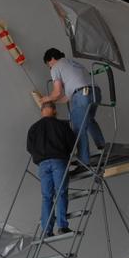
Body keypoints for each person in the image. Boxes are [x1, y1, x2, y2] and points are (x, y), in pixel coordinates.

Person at [37, 48, 106, 165]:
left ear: (52, 59)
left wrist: (46, 99)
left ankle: (84, 161)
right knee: (88, 120)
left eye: (48, 64)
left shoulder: (56, 67)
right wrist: (53, 102)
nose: (49, 67)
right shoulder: (73, 63)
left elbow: (58, 92)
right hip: (95, 92)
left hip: (81, 94)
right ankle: (103, 147)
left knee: (78, 128)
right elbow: (67, 98)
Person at [26, 101, 75, 236]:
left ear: (42, 111)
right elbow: (72, 143)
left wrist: (40, 157)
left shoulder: (34, 128)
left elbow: (29, 148)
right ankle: (62, 226)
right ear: (54, 110)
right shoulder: (62, 125)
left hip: (42, 164)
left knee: (47, 197)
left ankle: (47, 230)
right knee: (61, 193)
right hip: (59, 161)